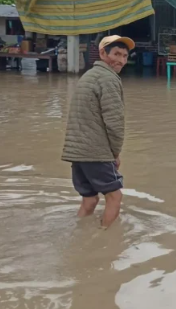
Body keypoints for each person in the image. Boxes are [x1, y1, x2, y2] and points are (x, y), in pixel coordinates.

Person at [62, 35, 133, 228]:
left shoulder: (89, 76)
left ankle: (79, 235)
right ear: (103, 53)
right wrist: (115, 153)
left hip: (78, 151)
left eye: (125, 56)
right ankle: (104, 241)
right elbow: (115, 122)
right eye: (116, 54)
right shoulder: (108, 79)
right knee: (115, 196)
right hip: (95, 151)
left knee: (90, 200)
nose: (121, 60)